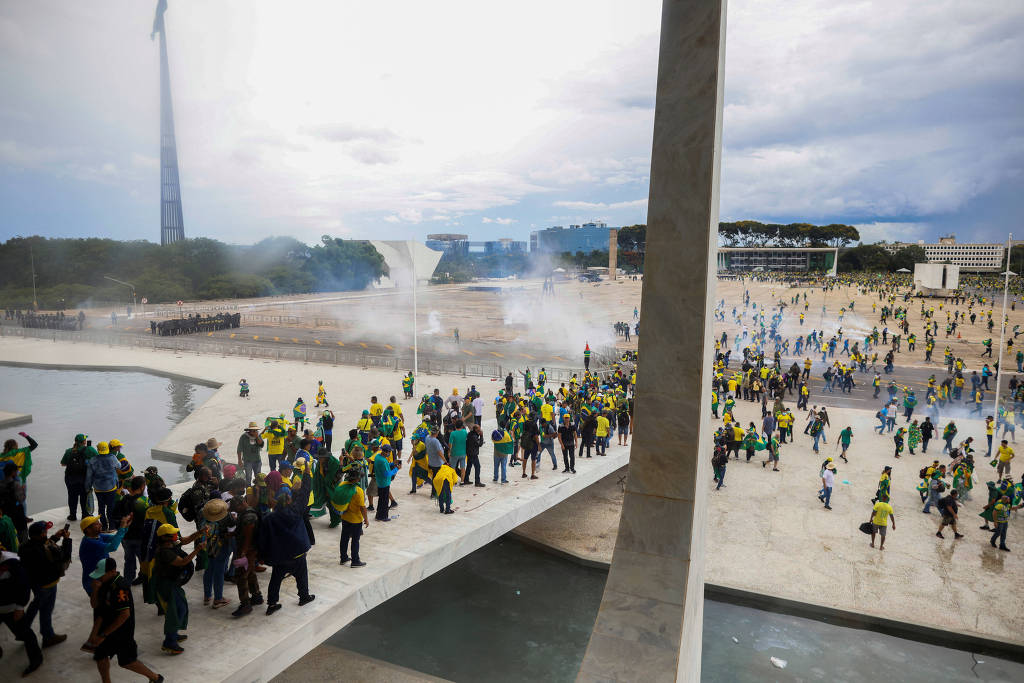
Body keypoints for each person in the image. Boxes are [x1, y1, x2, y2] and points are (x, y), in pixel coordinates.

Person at [85, 557, 164, 683]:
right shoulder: (101, 583)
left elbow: (124, 615)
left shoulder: (120, 587)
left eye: (101, 575)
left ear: (112, 571)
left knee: (127, 662)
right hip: (105, 628)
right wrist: (95, 590)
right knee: (100, 656)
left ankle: (155, 678)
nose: (98, 578)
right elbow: (95, 606)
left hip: (122, 631)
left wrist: (104, 635)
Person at [260, 472, 315, 615]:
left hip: (281, 556)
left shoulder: (269, 518)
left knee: (275, 580)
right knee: (302, 575)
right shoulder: (296, 511)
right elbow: (305, 493)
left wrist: (264, 556)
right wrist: (307, 475)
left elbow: (263, 538)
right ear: (289, 501)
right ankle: (304, 596)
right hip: (298, 552)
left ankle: (272, 604)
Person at [152, 523, 204, 654]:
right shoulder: (165, 552)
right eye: (174, 533)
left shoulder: (171, 543)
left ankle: (173, 634)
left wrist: (200, 532)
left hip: (172, 583)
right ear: (165, 538)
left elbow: (185, 539)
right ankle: (170, 642)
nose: (177, 535)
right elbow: (182, 561)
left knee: (180, 608)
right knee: (175, 611)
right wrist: (197, 550)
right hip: (166, 585)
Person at [18, 520, 71, 649]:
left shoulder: (26, 547)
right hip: (48, 584)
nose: (46, 533)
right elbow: (64, 556)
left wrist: (56, 537)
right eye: (45, 531)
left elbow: (44, 545)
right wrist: (67, 540)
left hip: (35, 584)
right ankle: (48, 636)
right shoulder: (42, 550)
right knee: (46, 610)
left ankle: (21, 631)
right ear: (41, 534)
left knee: (35, 606)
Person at [0, 549, 43, 676]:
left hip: (10, 608)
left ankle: (36, 659)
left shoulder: (12, 563)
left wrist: (19, 607)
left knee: (25, 633)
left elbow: (23, 585)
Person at [230, 494, 264, 617]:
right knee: (250, 572)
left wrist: (243, 551)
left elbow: (249, 532)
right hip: (249, 550)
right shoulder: (246, 512)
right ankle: (256, 596)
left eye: (235, 508)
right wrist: (233, 534)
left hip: (248, 550)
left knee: (241, 576)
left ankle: (245, 604)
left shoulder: (249, 516)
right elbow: (243, 530)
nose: (235, 511)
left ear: (241, 504)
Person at [79, 514, 130, 596]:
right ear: (88, 530)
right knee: (102, 607)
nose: (101, 524)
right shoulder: (89, 543)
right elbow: (113, 547)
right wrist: (122, 528)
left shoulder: (98, 536)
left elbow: (115, 537)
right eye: (96, 524)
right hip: (94, 583)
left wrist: (125, 527)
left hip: (103, 578)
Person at [201, 499, 233, 609]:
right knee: (219, 572)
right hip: (220, 549)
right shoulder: (221, 522)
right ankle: (218, 599)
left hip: (208, 548)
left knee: (209, 570)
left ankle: (207, 596)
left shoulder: (205, 521)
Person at [334, 469, 369, 568]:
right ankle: (355, 561)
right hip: (355, 520)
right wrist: (366, 519)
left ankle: (343, 558)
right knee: (355, 540)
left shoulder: (342, 485)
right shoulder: (358, 491)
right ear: (357, 479)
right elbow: (362, 507)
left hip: (345, 517)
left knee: (344, 538)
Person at [60, 434, 96, 521]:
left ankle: (72, 515)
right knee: (84, 496)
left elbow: (63, 464)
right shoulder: (89, 449)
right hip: (83, 478)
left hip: (70, 478)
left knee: (72, 496)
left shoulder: (69, 451)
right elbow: (97, 459)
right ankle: (85, 515)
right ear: (84, 442)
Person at [86, 442, 121, 531]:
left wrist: (88, 487)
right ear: (107, 449)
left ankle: (104, 526)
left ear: (98, 450)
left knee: (101, 507)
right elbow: (119, 466)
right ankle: (112, 526)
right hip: (111, 487)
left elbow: (89, 476)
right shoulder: (112, 458)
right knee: (110, 507)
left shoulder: (92, 460)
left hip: (98, 488)